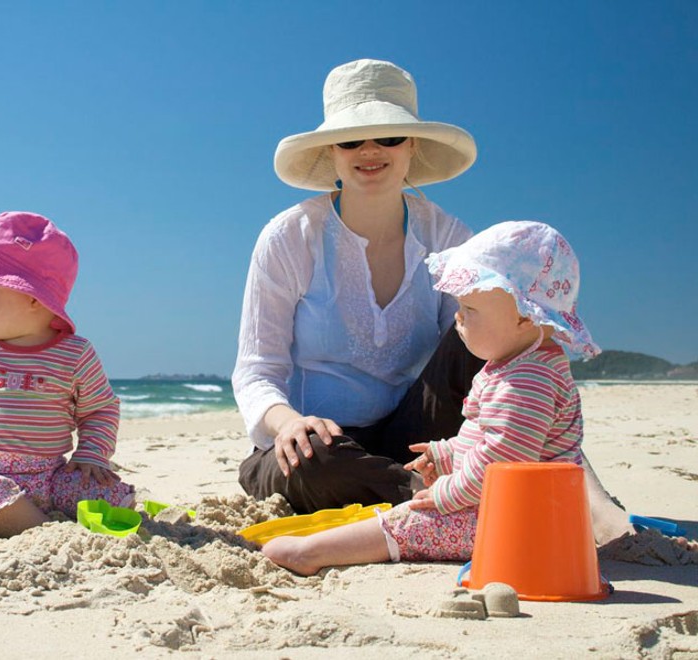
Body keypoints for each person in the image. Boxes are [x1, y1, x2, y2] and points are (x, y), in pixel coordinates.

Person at [262, 220, 600, 575]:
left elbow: (503, 462)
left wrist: (446, 494)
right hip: (524, 511)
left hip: (523, 523)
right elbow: (489, 439)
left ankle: (311, 553)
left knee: (411, 521)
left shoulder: (527, 381)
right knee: (415, 512)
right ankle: (321, 546)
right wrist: (447, 453)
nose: (458, 317)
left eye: (470, 309)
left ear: (524, 318)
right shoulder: (521, 365)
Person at [233, 58, 484, 513]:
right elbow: (256, 371)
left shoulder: (447, 236)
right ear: (332, 151)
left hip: (416, 437)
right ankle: (440, 497)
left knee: (492, 327)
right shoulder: (290, 237)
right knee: (314, 459)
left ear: (411, 145)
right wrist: (288, 423)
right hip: (320, 447)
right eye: (351, 140)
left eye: (388, 137)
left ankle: (564, 486)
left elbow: (484, 355)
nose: (370, 150)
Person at [0, 211, 135, 538]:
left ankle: (38, 518)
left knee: (112, 494)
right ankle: (44, 530)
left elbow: (99, 409)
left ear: (34, 297)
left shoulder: (75, 354)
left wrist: (91, 454)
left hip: (52, 477)